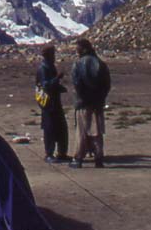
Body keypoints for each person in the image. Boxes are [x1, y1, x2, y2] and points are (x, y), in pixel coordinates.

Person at [70, 38, 111, 168]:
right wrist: (100, 98)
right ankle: (99, 158)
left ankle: (78, 158)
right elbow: (107, 84)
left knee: (82, 131)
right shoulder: (101, 64)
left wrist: (83, 98)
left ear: (83, 49)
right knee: (97, 131)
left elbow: (77, 84)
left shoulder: (78, 64)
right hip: (97, 103)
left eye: (78, 48)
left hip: (83, 103)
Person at [35, 44, 68, 162]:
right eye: (53, 54)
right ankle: (49, 153)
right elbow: (46, 85)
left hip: (54, 102)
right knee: (50, 129)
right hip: (49, 104)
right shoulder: (43, 68)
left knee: (61, 128)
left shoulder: (50, 66)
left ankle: (61, 153)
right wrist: (57, 78)